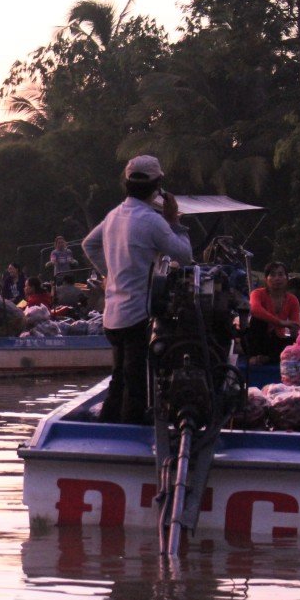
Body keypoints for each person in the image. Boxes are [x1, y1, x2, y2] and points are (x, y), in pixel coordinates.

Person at [82, 154, 193, 425]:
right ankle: (130, 437)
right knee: (136, 386)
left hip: (112, 317)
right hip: (137, 317)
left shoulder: (113, 216)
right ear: (158, 187)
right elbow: (186, 256)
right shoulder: (153, 220)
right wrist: (174, 221)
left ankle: (109, 430)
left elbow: (88, 245)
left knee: (119, 379)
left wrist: (110, 272)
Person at [244, 261, 300, 363]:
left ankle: (270, 358)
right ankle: (255, 356)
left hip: (276, 341)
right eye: (273, 275)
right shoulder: (257, 294)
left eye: (280, 274)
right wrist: (280, 322)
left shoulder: (292, 300)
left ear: (286, 278)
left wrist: (295, 331)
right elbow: (255, 309)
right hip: (259, 340)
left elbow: (295, 324)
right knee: (258, 320)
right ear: (266, 279)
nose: (277, 278)